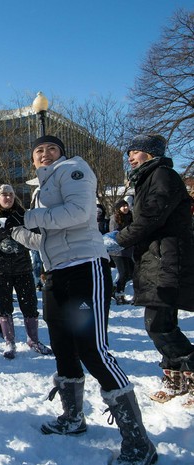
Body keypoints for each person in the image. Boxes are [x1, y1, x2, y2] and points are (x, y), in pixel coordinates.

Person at [11, 135, 156, 465]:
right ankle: (73, 418)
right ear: (33, 160)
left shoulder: (73, 169)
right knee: (62, 345)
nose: (44, 154)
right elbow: (45, 238)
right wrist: (17, 231)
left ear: (61, 152)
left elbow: (78, 213)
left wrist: (31, 217)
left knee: (92, 349)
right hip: (56, 274)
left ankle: (138, 442)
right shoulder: (41, 189)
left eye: (50, 149)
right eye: (38, 151)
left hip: (84, 269)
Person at [114, 134, 194, 408]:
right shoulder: (149, 178)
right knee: (163, 323)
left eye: (134, 151)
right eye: (129, 152)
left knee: (158, 324)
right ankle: (175, 377)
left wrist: (117, 239)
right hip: (155, 259)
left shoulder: (162, 175)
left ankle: (190, 371)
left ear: (150, 153)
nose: (130, 157)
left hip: (167, 260)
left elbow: (151, 217)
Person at [0, 184, 52, 358]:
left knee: (30, 305)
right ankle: (9, 342)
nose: (8, 197)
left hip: (23, 267)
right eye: (4, 195)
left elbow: (39, 236)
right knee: (4, 306)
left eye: (10, 194)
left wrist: (24, 242)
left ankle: (33, 340)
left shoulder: (23, 215)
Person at [109, 199, 135, 305]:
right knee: (123, 273)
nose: (125, 208)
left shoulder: (131, 217)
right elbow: (114, 234)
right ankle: (119, 295)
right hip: (117, 251)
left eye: (126, 205)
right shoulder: (114, 219)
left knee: (132, 273)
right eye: (123, 206)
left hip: (128, 250)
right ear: (118, 208)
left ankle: (115, 289)